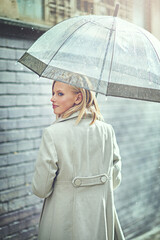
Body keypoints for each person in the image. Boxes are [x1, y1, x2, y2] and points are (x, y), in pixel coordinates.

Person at [32, 80, 125, 240]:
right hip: (100, 220)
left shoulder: (52, 133)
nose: (52, 99)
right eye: (53, 93)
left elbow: (41, 189)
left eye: (59, 93)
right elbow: (114, 180)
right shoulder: (107, 130)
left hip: (63, 222)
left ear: (78, 98)